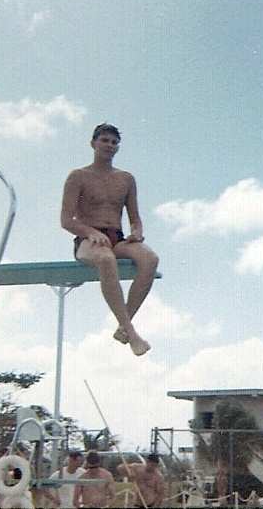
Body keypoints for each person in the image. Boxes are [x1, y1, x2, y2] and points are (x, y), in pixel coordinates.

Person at [61, 123, 159, 356]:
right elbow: (66, 220)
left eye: (114, 142)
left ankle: (123, 328)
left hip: (117, 238)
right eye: (104, 140)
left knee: (151, 259)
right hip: (88, 241)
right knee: (106, 259)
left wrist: (137, 232)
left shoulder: (126, 179)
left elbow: (135, 218)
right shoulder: (78, 176)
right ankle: (131, 333)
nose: (109, 145)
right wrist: (90, 232)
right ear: (93, 143)